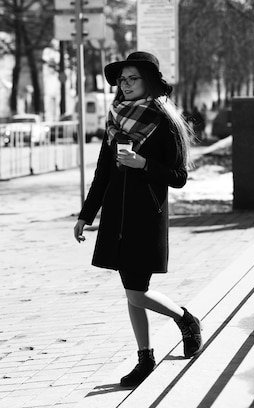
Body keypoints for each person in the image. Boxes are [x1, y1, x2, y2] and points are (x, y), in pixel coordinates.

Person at [73, 51, 203, 389]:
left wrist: (142, 164)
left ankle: (185, 319)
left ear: (148, 81)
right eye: (122, 79)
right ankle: (145, 356)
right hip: (117, 216)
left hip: (147, 216)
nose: (125, 84)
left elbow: (178, 176)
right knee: (131, 289)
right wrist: (86, 215)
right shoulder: (116, 120)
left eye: (132, 78)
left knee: (136, 290)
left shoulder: (164, 123)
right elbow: (103, 172)